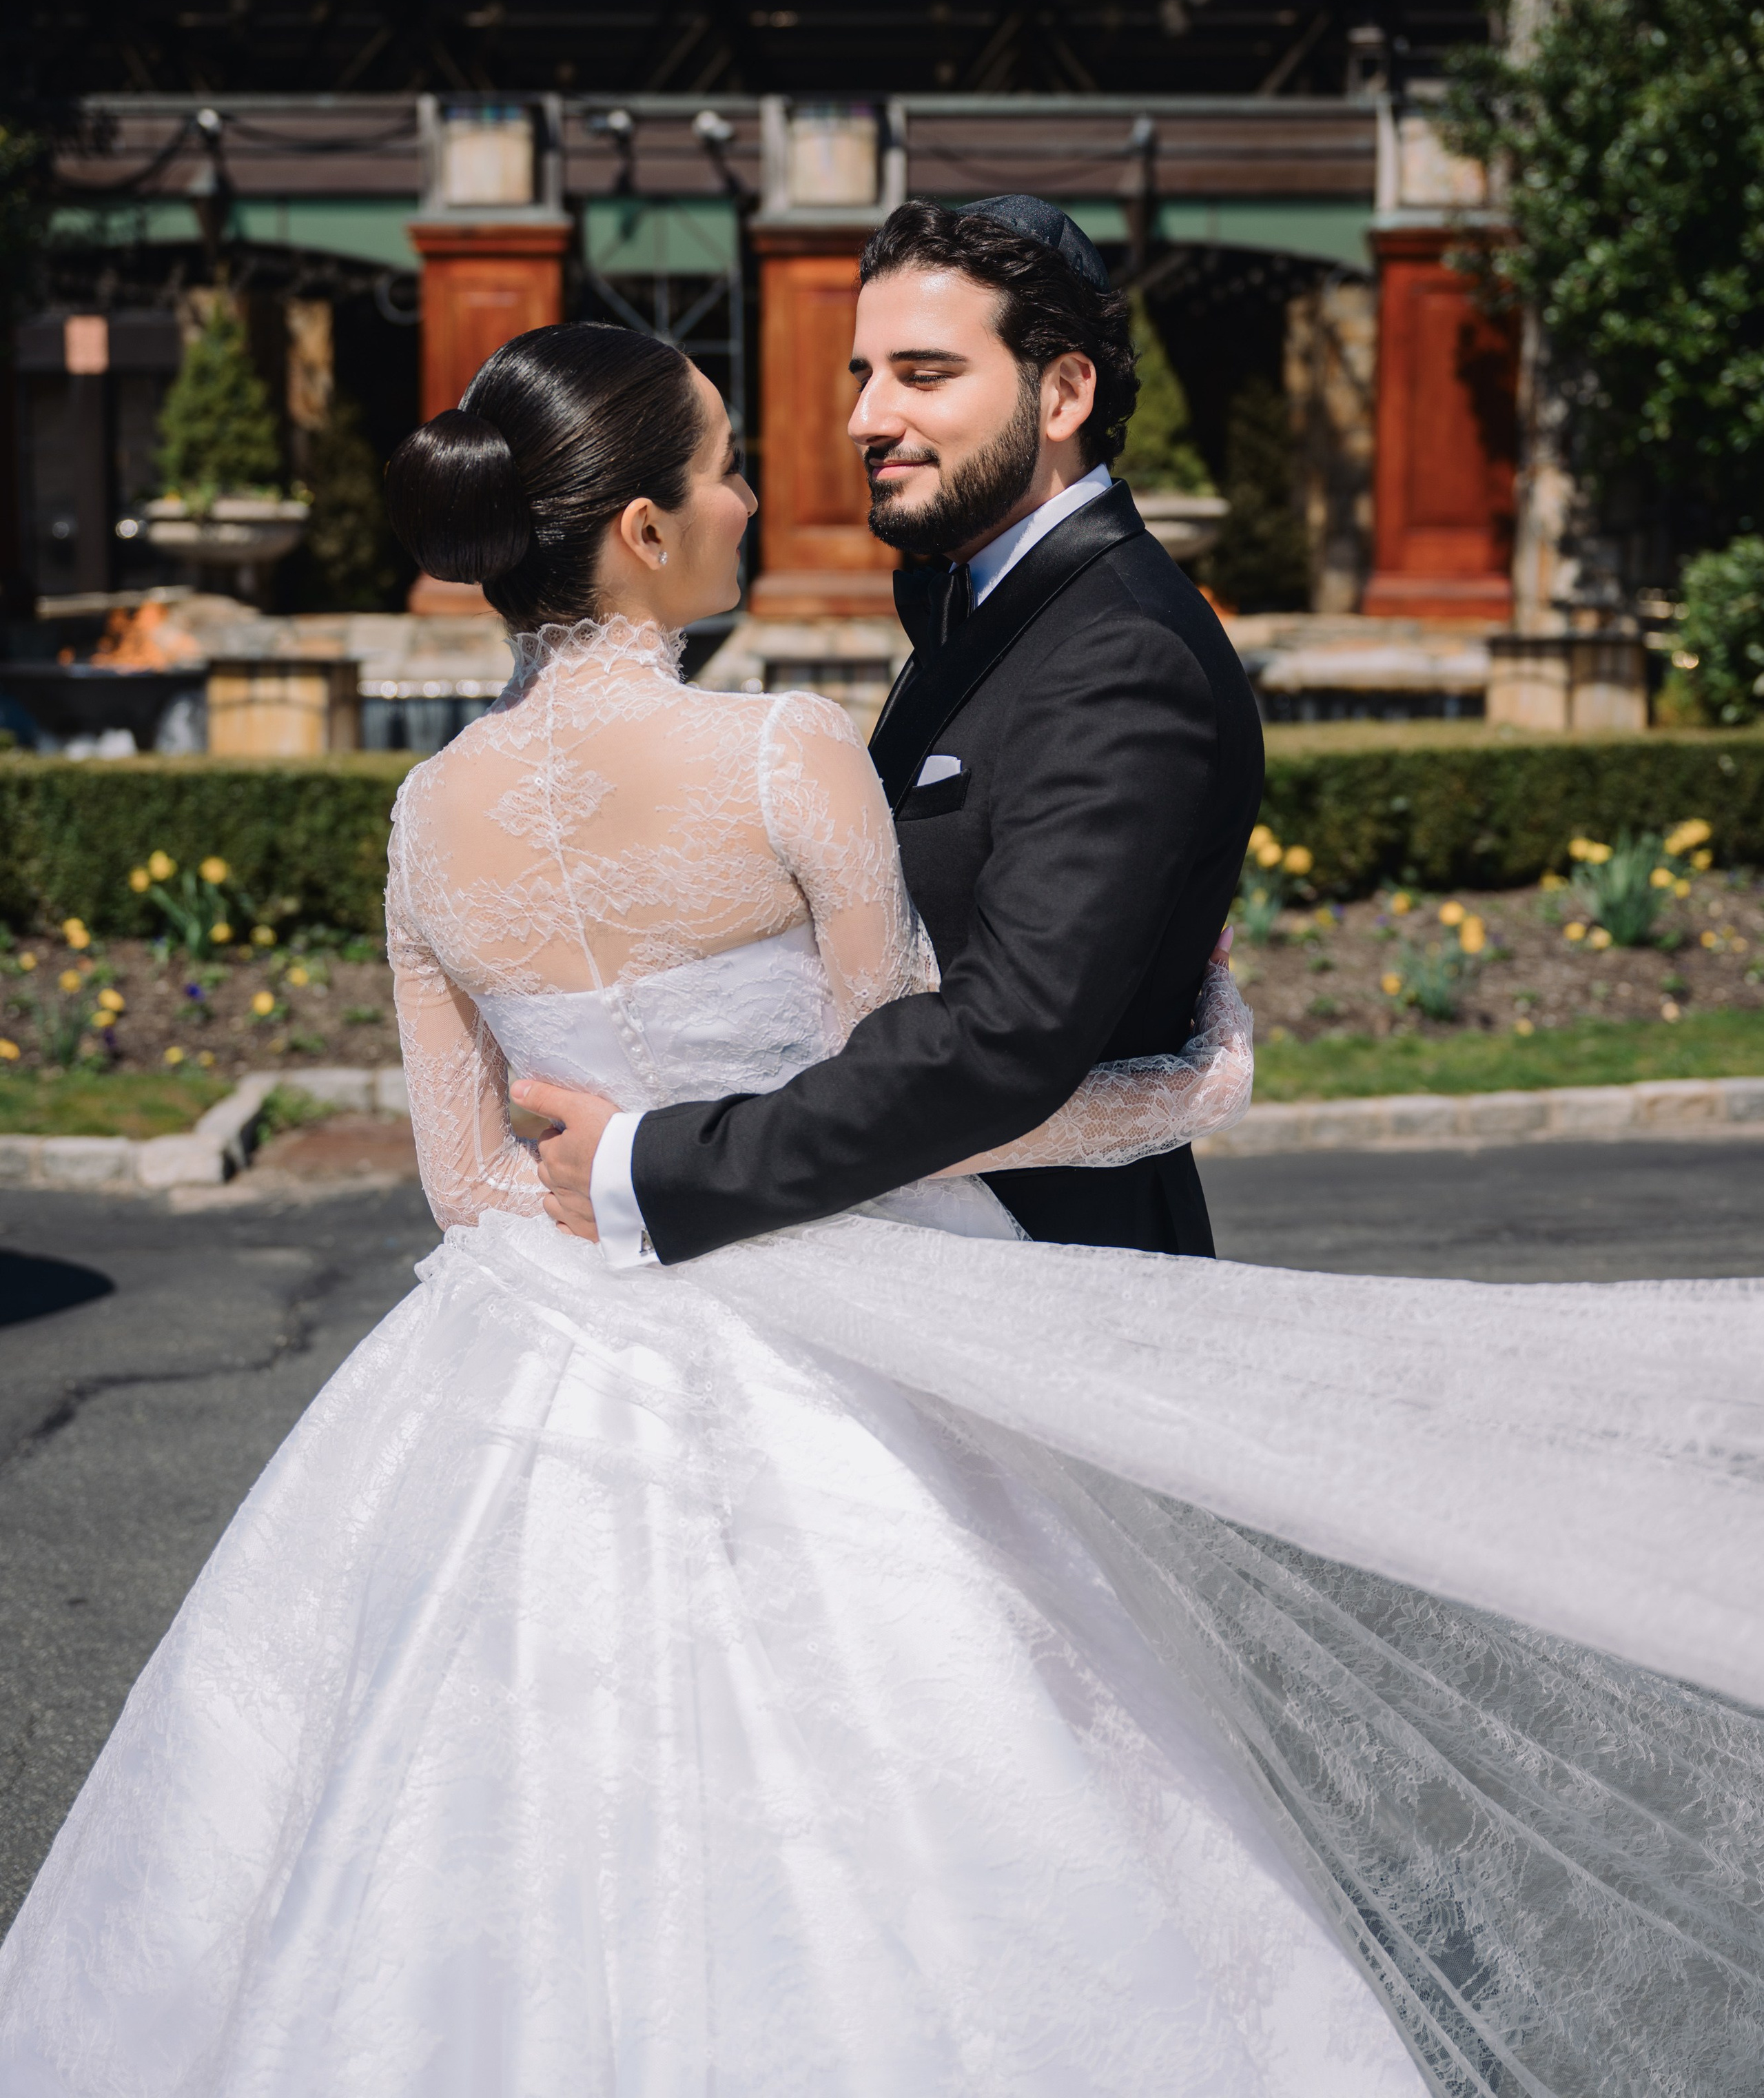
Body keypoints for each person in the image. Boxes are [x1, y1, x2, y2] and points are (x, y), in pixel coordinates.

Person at [3, 316, 1760, 2098]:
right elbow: (905, 1118)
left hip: (505, 1367)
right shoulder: (785, 755)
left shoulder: (423, 817)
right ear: (641, 531)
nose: (765, 491)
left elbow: (468, 1189)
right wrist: (1200, 1070)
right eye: (725, 465)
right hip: (819, 1347)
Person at [520, 196, 1264, 1267]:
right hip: (909, 1263)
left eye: (924, 375)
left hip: (1048, 1283)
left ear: (1063, 394)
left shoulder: (1121, 656)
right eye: (864, 377)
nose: (868, 418)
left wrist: (657, 1167)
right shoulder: (991, 610)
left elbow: (1000, 1046)